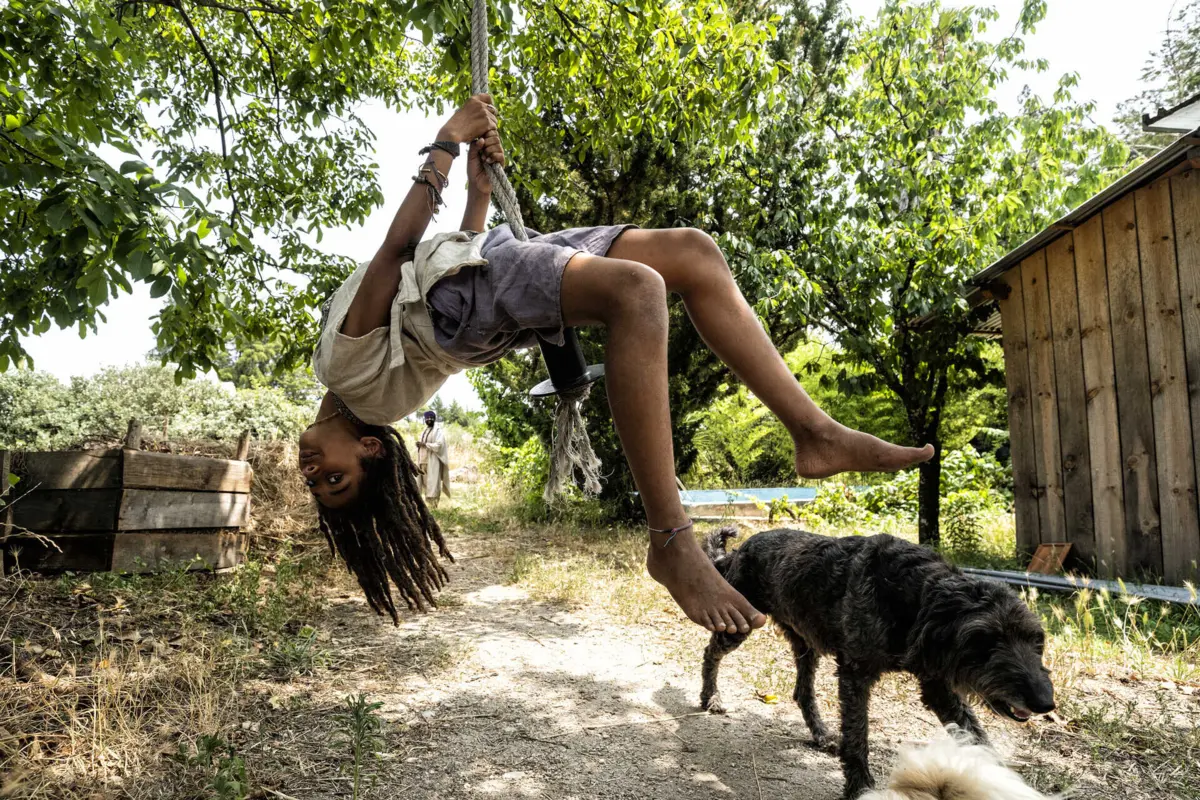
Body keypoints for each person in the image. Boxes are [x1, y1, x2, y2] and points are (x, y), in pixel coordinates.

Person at [298, 94, 934, 628]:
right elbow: (395, 256)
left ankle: (815, 433)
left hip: (479, 274)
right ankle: (670, 539)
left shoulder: (366, 390)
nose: (314, 471)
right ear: (372, 452)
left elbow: (427, 282)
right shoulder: (351, 383)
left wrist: (477, 195)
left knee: (693, 255)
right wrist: (442, 144)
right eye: (336, 480)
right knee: (639, 291)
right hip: (476, 289)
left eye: (316, 482)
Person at [416, 410, 450, 508]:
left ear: (434, 419)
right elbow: (423, 444)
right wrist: (419, 445)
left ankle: (434, 506)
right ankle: (427, 506)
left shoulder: (438, 431)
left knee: (433, 484)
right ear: (425, 420)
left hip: (432, 462)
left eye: (431, 418)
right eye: (427, 418)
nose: (429, 420)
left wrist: (425, 444)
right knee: (425, 483)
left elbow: (439, 445)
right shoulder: (424, 431)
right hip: (422, 461)